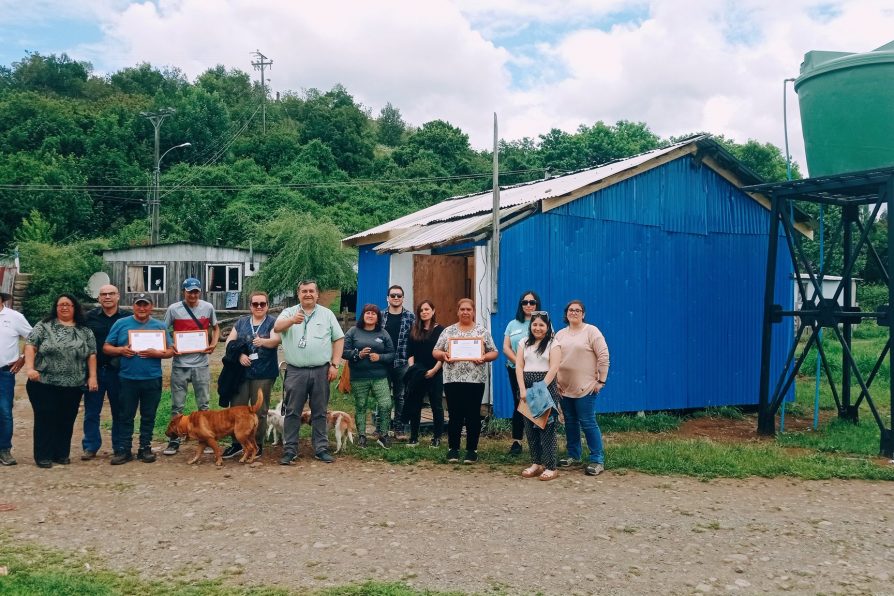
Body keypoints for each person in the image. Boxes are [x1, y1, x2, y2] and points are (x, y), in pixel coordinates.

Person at [23, 294, 98, 468]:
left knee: (66, 419)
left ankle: (61, 453)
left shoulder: (84, 330)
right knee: (45, 418)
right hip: (44, 382)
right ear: (55, 307)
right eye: (60, 305)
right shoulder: (44, 326)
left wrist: (92, 377)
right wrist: (30, 368)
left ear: (74, 307)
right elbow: (30, 346)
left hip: (73, 384)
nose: (64, 307)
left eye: (68, 304)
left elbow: (92, 354)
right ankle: (43, 455)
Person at [274, 280, 344, 465]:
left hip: (321, 370)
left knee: (320, 412)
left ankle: (321, 448)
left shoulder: (327, 314)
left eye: (311, 291)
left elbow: (339, 339)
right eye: (304, 291)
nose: (308, 294)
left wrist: (335, 365)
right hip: (296, 370)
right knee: (292, 411)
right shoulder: (289, 312)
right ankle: (290, 450)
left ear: (317, 294)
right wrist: (291, 321)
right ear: (298, 294)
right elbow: (276, 328)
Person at [103, 293, 174, 465]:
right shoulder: (121, 324)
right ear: (133, 306)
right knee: (126, 415)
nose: (142, 308)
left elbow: (171, 350)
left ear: (151, 306)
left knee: (148, 415)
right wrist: (121, 350)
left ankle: (145, 448)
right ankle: (124, 449)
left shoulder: (159, 326)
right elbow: (106, 347)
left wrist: (158, 353)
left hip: (152, 378)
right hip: (127, 378)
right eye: (138, 305)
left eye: (145, 305)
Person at [432, 298, 498, 464]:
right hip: (452, 379)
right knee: (454, 414)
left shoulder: (482, 332)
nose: (465, 312)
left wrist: (484, 357)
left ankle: (471, 450)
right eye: (462, 309)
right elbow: (435, 351)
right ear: (458, 311)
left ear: (473, 311)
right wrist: (443, 356)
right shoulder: (448, 331)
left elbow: (494, 352)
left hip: (475, 380)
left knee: (473, 415)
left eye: (468, 309)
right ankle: (453, 449)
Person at [162, 277, 220, 456]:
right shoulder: (174, 309)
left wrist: (214, 343)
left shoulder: (208, 307)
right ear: (183, 292)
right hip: (180, 364)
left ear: (200, 292)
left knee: (204, 404)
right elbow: (164, 330)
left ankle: (206, 438)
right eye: (189, 291)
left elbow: (216, 327)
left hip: (201, 364)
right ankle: (174, 439)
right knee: (177, 405)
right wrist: (171, 346)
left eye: (196, 291)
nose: (193, 295)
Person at [222, 291, 280, 459]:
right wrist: (239, 355)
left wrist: (264, 342)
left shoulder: (272, 322)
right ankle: (236, 444)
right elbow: (229, 342)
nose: (259, 307)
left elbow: (276, 340)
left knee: (260, 410)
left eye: (263, 304)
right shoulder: (241, 322)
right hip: (241, 374)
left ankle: (257, 444)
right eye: (255, 304)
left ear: (268, 306)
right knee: (236, 410)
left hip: (264, 373)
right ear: (250, 306)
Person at [555, 300, 610, 476]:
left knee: (587, 422)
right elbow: (554, 358)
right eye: (571, 310)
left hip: (586, 388)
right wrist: (555, 381)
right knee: (570, 422)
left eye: (578, 310)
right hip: (564, 387)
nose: (574, 312)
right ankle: (574, 455)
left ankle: (597, 459)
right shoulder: (560, 334)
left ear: (583, 314)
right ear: (566, 313)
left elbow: (603, 355)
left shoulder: (591, 331)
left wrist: (601, 381)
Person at [81, 284, 131, 460]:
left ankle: (119, 446)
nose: (107, 297)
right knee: (92, 411)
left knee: (120, 411)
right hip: (95, 371)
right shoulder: (88, 318)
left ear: (118, 296)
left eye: (111, 294)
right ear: (98, 298)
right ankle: (90, 446)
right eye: (103, 294)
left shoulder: (128, 317)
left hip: (120, 372)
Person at [516, 311, 562, 481]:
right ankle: (536, 463)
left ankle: (551, 466)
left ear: (547, 326)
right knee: (529, 428)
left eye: (541, 325)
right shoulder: (524, 342)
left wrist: (541, 388)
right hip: (527, 388)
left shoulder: (553, 343)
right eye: (534, 324)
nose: (537, 328)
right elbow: (519, 366)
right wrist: (522, 389)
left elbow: (554, 367)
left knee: (546, 428)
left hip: (545, 388)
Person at [342, 304, 395, 448]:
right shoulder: (353, 332)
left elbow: (391, 354)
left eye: (373, 313)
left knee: (386, 404)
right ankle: (362, 436)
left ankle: (383, 435)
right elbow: (343, 352)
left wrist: (380, 357)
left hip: (380, 376)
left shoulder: (383, 333)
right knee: (361, 405)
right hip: (359, 376)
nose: (370, 315)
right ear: (363, 315)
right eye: (368, 313)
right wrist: (357, 354)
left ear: (378, 317)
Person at [503, 290, 541, 456]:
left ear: (537, 305)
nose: (528, 305)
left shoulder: (543, 322)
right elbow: (506, 347)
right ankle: (517, 441)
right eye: (525, 302)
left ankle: (540, 440)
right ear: (520, 305)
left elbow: (549, 344)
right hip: (515, 370)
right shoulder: (512, 324)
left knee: (538, 404)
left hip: (537, 371)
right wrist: (519, 363)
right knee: (519, 403)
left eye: (532, 302)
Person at [404, 300, 444, 447]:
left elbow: (444, 353)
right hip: (418, 373)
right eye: (421, 310)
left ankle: (437, 437)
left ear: (433, 311)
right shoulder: (414, 330)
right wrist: (413, 369)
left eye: (427, 309)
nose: (424, 312)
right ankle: (414, 437)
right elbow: (410, 353)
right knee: (415, 404)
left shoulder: (441, 330)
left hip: (435, 372)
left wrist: (434, 371)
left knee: (436, 406)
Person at [0, 291, 33, 466]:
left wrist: (22, 358)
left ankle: (4, 449)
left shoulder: (14, 317)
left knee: (4, 411)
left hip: (4, 373)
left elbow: (33, 338)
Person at [381, 285, 414, 440]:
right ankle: (382, 428)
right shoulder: (380, 316)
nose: (395, 298)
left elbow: (414, 339)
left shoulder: (410, 317)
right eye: (392, 295)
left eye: (398, 296)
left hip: (402, 362)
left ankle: (399, 428)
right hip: (383, 362)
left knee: (400, 396)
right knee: (383, 396)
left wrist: (412, 359)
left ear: (403, 298)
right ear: (387, 298)